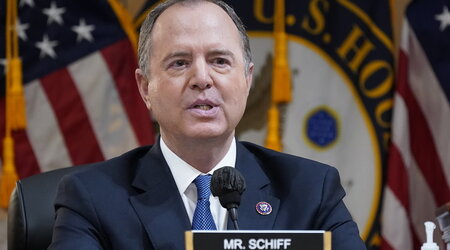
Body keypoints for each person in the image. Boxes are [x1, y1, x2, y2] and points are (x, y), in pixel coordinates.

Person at [49, 0, 366, 249]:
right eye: (179, 63)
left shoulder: (310, 190)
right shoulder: (91, 198)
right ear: (145, 88)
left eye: (219, 61)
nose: (202, 79)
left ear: (247, 79)